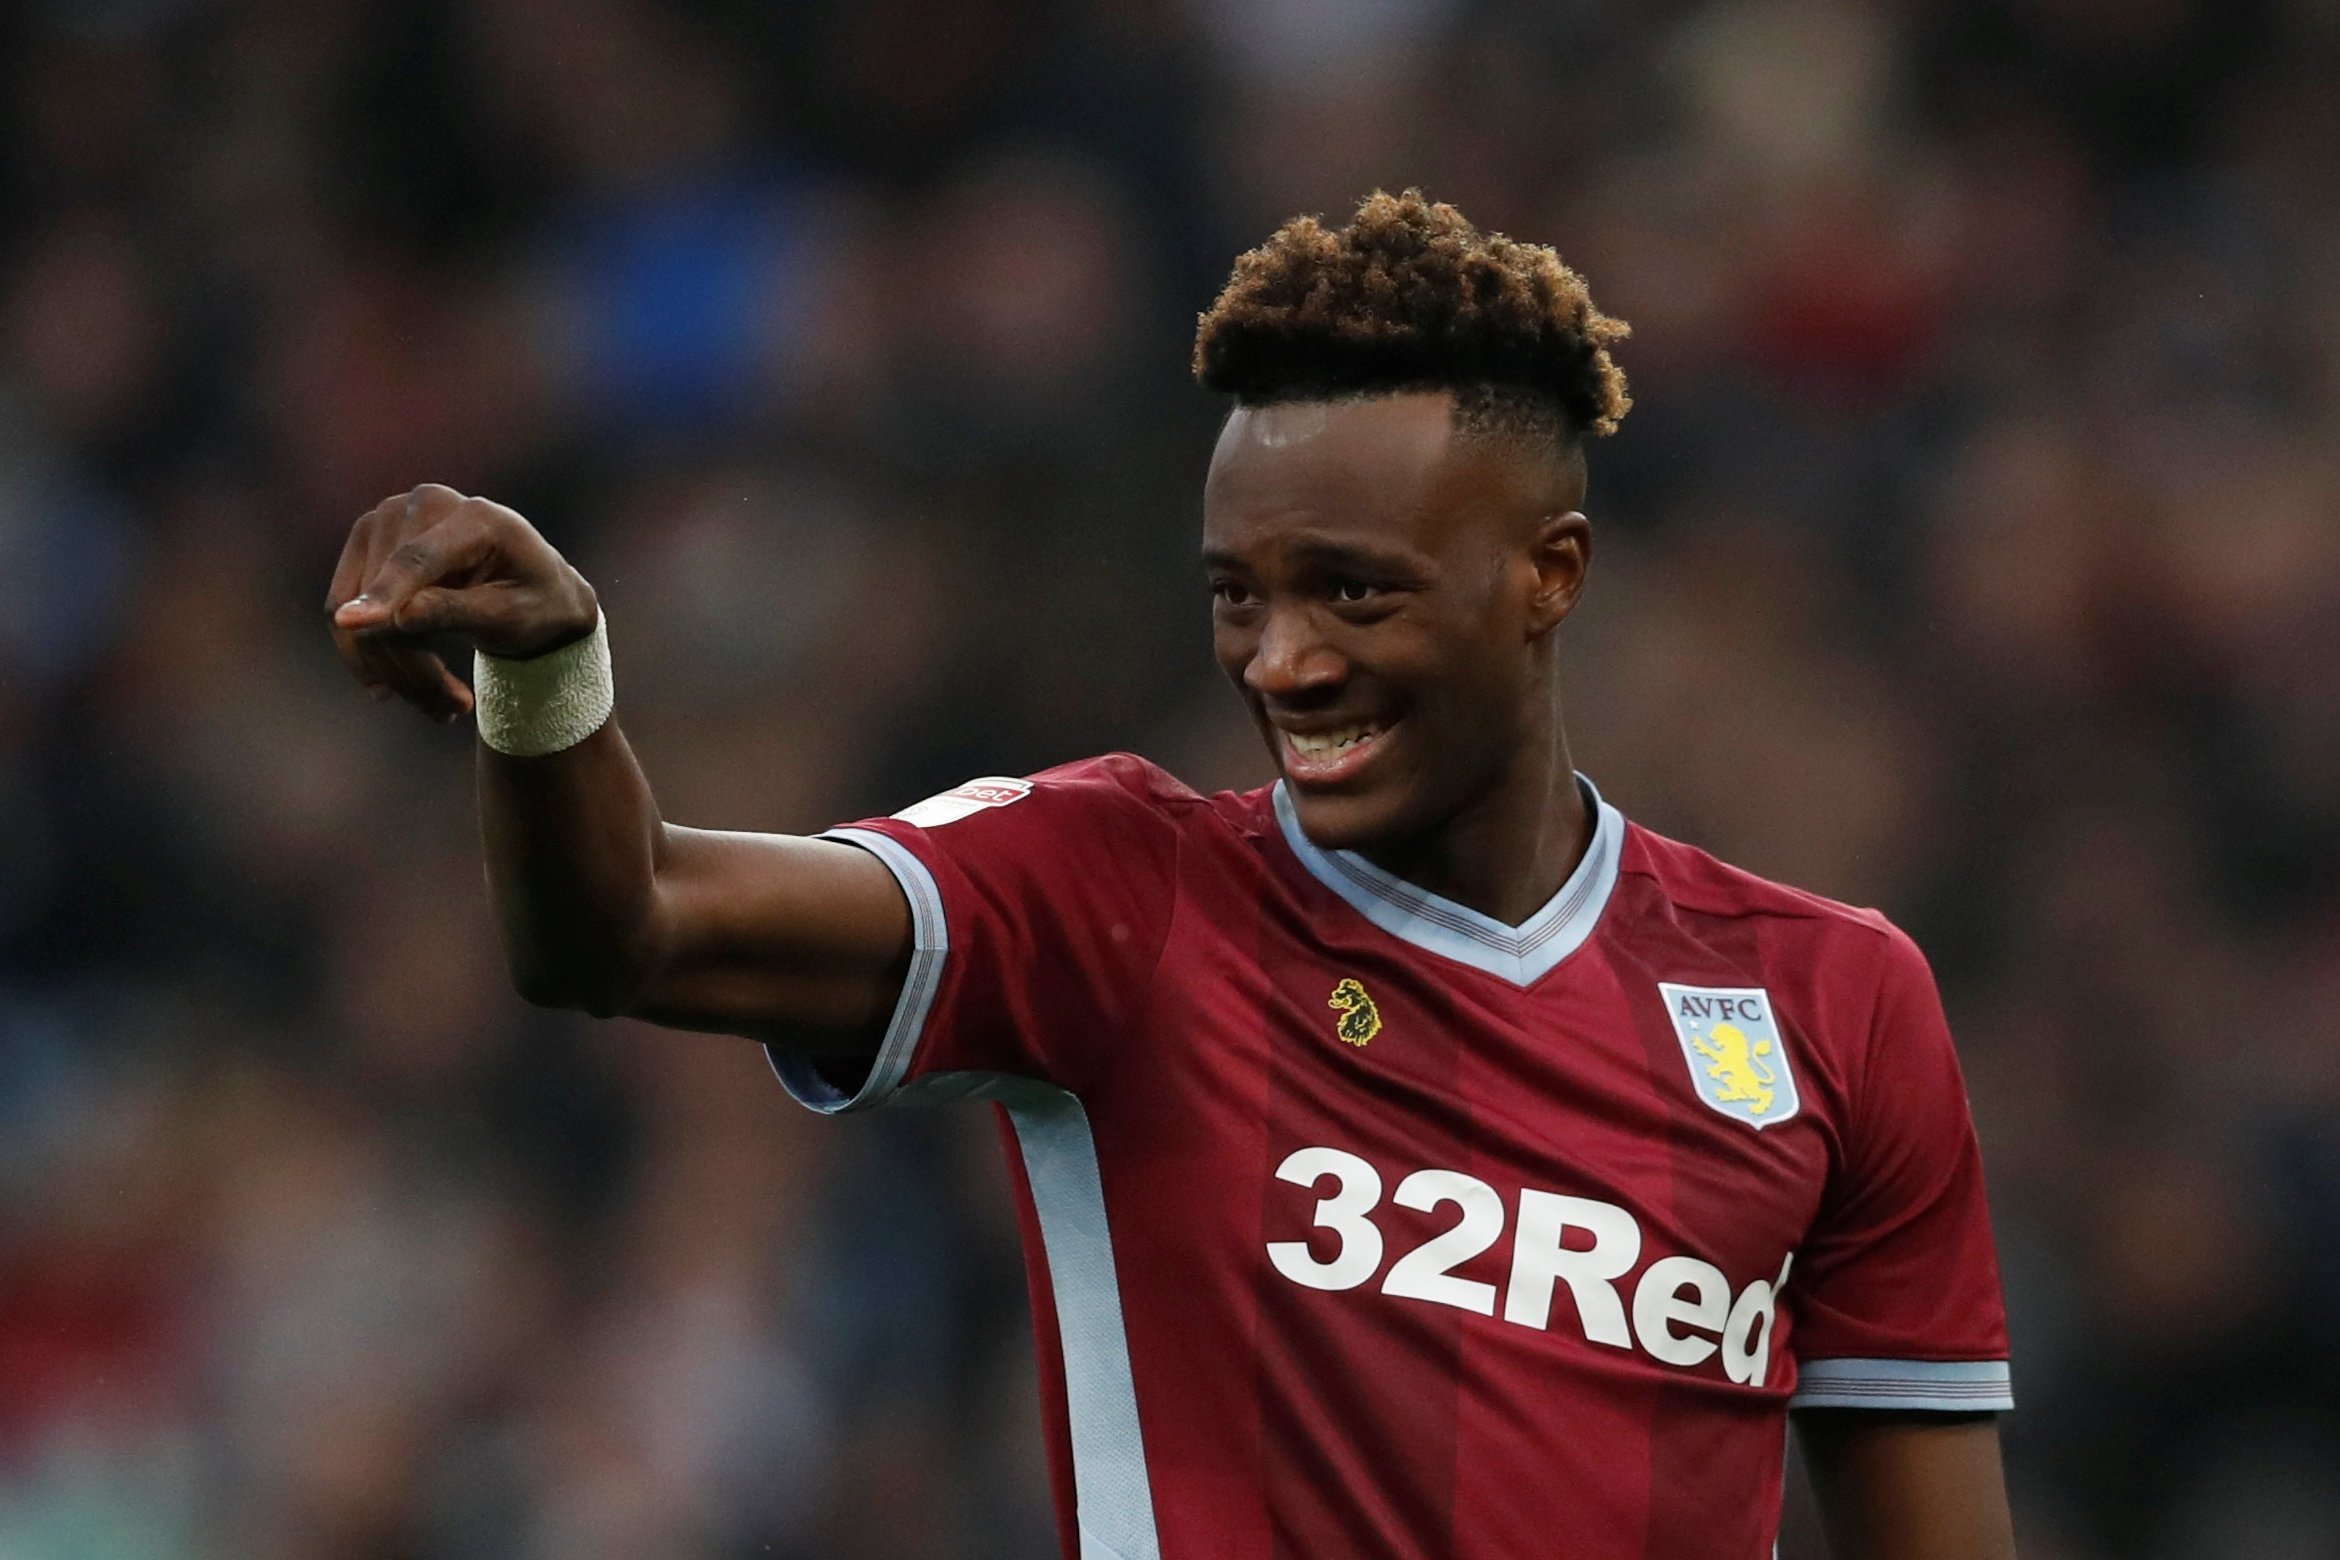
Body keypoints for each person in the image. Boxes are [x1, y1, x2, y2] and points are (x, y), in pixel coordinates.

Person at [327, 190, 2017, 1560]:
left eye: (1352, 592)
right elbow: (623, 930)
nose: (1281, 661)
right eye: (1237, 596)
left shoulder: (1832, 1001)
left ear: (1547, 577)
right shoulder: (1124, 894)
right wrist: (551, 676)